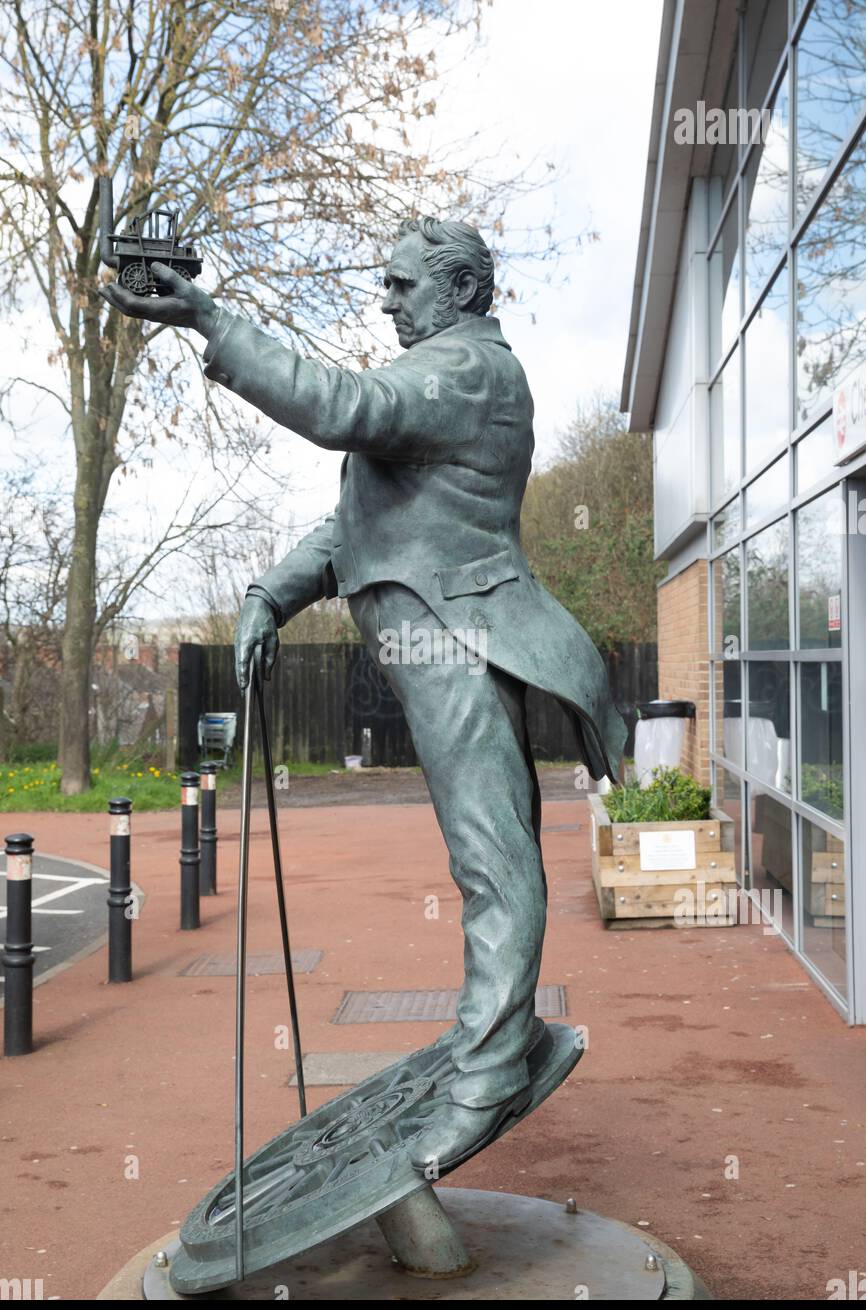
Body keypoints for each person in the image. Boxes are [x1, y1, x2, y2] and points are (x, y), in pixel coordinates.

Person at [99, 217, 627, 1175]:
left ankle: (489, 1069)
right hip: (432, 642)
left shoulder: (470, 372)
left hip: (460, 638)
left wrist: (209, 320)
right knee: (488, 851)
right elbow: (358, 523)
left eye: (401, 285)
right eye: (384, 286)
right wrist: (272, 593)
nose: (385, 301)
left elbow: (340, 406)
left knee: (492, 856)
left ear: (461, 292)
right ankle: (491, 1046)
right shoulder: (434, 379)